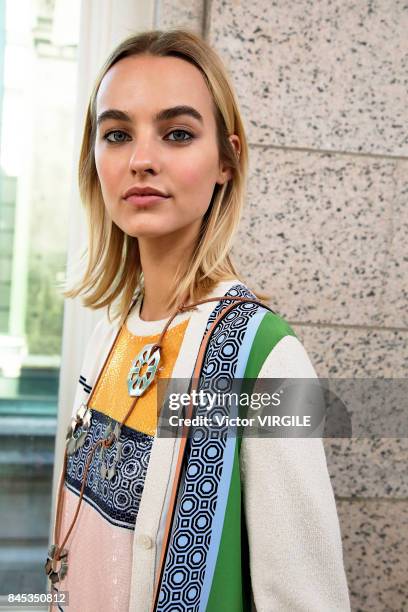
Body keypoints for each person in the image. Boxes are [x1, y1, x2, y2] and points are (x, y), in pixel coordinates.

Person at [47, 28, 351, 611]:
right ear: (95, 161)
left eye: (178, 134)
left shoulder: (262, 356)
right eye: (116, 134)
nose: (141, 159)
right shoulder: (108, 337)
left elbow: (307, 599)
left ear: (225, 163)